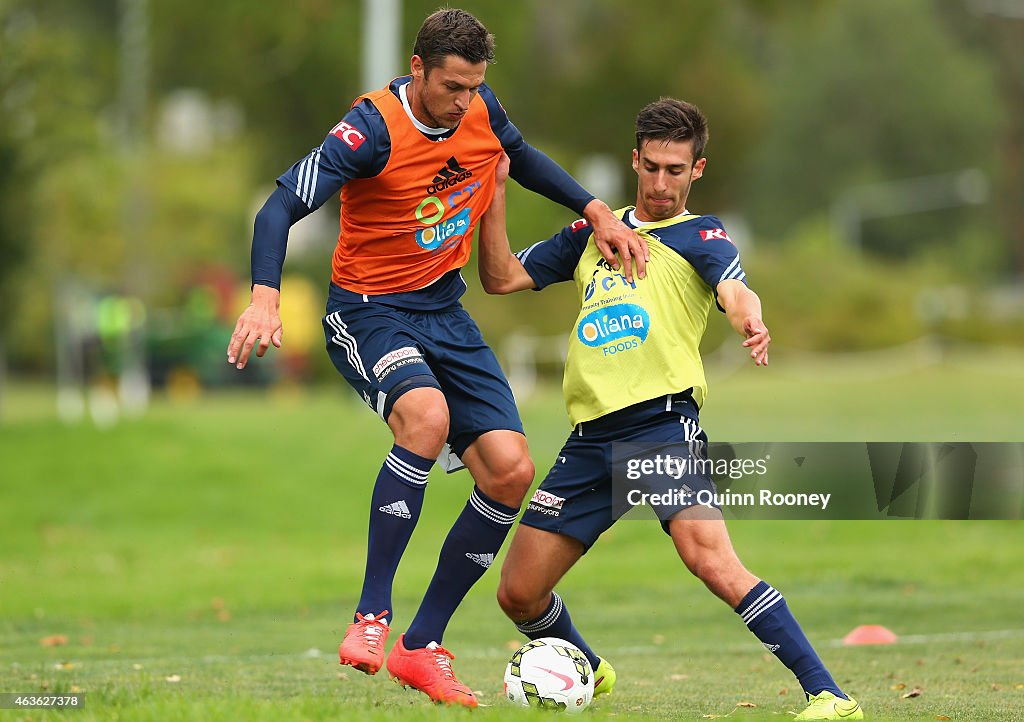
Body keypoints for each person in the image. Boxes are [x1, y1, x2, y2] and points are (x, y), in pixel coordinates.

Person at [225, 8, 644, 708]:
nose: (463, 102)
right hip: (367, 312)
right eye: (452, 87)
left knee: (512, 471)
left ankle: (421, 647)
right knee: (424, 418)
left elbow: (526, 157)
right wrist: (265, 297)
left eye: (474, 87)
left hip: (445, 313)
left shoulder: (480, 109)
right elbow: (276, 211)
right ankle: (370, 619)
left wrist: (595, 208)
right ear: (417, 69)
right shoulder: (369, 130)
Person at [477, 98, 864, 721]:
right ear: (635, 161)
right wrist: (494, 191)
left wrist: (750, 317)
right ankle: (586, 669)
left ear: (697, 170)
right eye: (652, 167)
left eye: (675, 170)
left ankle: (829, 696)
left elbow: (734, 288)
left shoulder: (700, 235)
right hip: (588, 438)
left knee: (708, 558)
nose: (661, 183)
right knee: (519, 593)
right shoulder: (591, 232)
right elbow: (499, 279)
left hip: (660, 426)